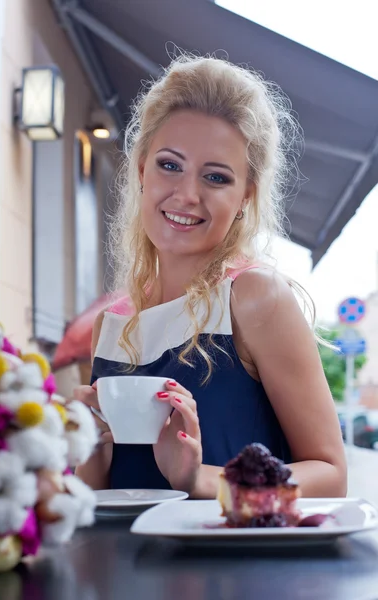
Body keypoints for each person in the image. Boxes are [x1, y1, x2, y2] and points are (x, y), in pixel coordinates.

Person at [74, 55, 347, 499]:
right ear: (142, 171)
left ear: (245, 196)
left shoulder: (256, 298)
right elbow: (106, 492)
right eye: (169, 165)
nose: (187, 194)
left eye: (216, 177)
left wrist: (200, 479)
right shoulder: (112, 325)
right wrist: (87, 453)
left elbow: (331, 475)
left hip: (230, 569)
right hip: (121, 567)